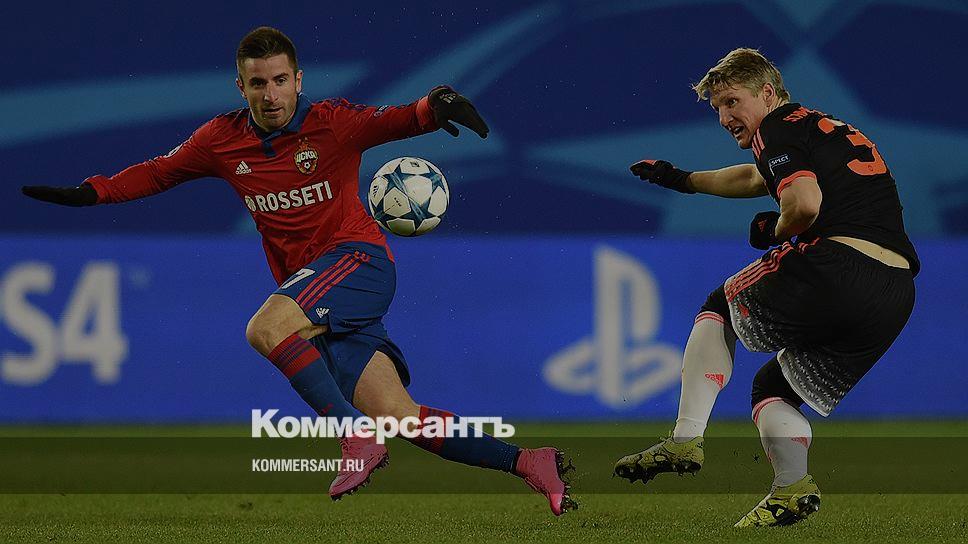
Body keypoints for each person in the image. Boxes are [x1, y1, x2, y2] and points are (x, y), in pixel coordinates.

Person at [22, 26, 575, 516]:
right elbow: (158, 172)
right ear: (241, 87)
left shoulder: (333, 124)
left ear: (298, 80)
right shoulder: (221, 140)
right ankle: (530, 462)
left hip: (358, 261)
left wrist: (437, 104)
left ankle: (353, 437)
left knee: (266, 328)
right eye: (258, 84)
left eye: (280, 81)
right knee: (400, 417)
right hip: (317, 292)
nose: (271, 95)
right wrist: (91, 193)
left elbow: (401, 118)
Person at [613, 48, 918, 527]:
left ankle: (684, 440)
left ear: (768, 93)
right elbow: (757, 177)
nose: (724, 117)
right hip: (894, 292)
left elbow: (804, 203)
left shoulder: (775, 128)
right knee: (773, 388)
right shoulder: (816, 128)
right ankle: (792, 487)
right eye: (717, 108)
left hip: (838, 264)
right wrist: (682, 180)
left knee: (720, 306)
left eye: (732, 101)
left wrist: (775, 230)